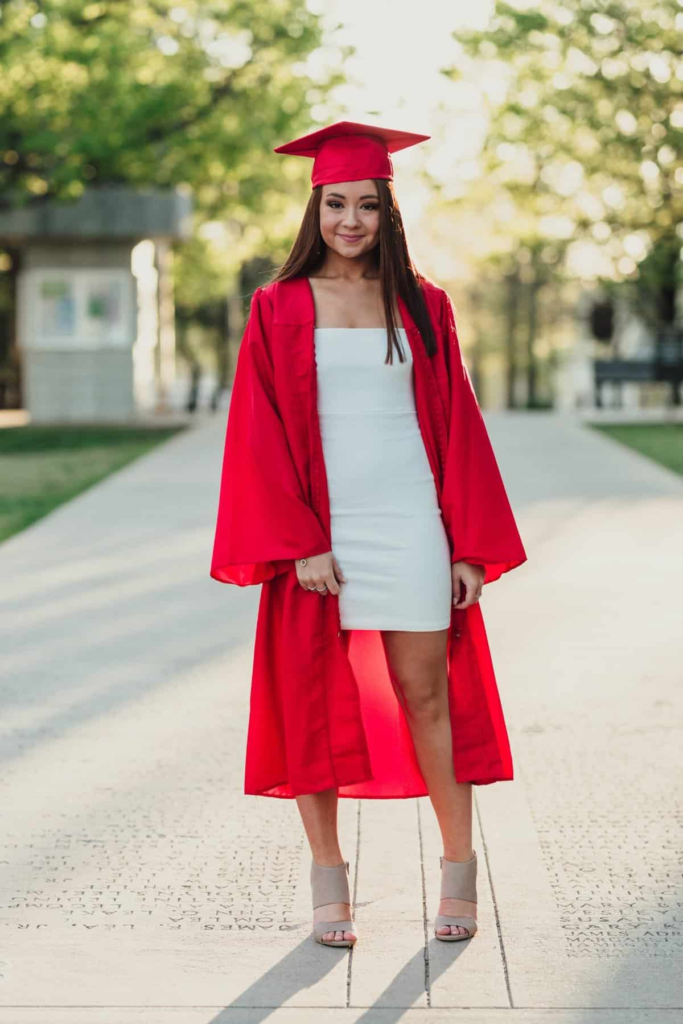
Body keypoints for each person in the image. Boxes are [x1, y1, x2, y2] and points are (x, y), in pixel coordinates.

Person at [210, 121, 527, 949]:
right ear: (315, 208)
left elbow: (456, 423)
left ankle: (458, 868)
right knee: (309, 704)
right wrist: (298, 541)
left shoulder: (424, 304)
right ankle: (329, 879)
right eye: (336, 204)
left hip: (410, 521)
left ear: (389, 213)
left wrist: (465, 544)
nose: (350, 220)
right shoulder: (276, 306)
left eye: (367, 205)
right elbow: (260, 431)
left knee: (429, 697)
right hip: (322, 533)